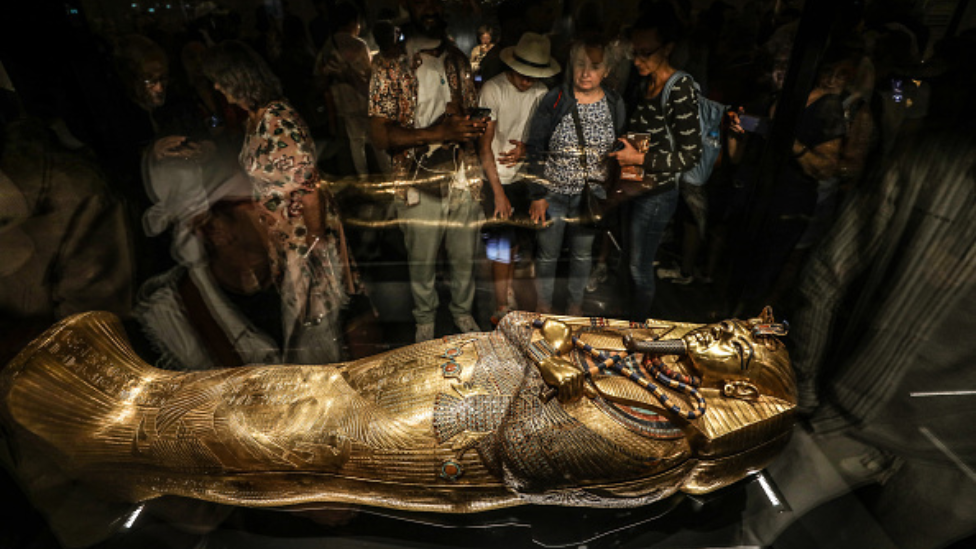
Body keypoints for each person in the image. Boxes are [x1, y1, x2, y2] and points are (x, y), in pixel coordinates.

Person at [2, 308, 796, 516]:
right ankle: (136, 399)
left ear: (733, 383)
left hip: (450, 433)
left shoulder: (662, 440)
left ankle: (113, 439)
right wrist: (552, 343)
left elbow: (529, 449)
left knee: (300, 435)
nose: (711, 333)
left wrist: (545, 345)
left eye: (728, 341)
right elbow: (543, 334)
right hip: (451, 374)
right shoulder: (652, 360)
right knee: (302, 385)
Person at [203, 41, 358, 353]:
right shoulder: (255, 118)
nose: (217, 87)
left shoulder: (278, 123)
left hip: (303, 239)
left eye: (221, 79)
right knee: (304, 323)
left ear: (240, 79)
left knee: (314, 327)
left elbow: (309, 190)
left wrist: (314, 246)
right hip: (286, 239)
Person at [368, 0, 486, 342]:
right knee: (422, 261)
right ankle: (425, 322)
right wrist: (438, 133)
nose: (430, 9)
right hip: (416, 179)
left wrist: (470, 123)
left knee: (464, 257)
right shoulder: (388, 64)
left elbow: (468, 110)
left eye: (436, 2)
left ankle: (462, 313)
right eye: (422, 2)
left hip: (463, 174)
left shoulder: (458, 59)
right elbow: (379, 136)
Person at [610, 6, 702, 321]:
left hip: (657, 194)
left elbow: (691, 154)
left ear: (668, 48)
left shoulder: (679, 88)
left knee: (639, 267)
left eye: (645, 53)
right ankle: (626, 316)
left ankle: (637, 330)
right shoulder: (643, 82)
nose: (636, 61)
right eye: (634, 53)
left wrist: (638, 158)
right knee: (626, 261)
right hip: (635, 185)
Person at [525, 40, 626, 316]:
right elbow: (536, 147)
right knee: (547, 255)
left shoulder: (614, 103)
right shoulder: (557, 99)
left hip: (591, 197)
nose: (585, 73)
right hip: (553, 194)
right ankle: (543, 306)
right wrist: (538, 195)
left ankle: (575, 305)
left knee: (582, 255)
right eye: (580, 65)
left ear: (606, 71)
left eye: (594, 67)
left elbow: (618, 145)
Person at [478, 32, 560, 324]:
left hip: (527, 175)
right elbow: (484, 145)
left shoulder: (542, 93)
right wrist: (498, 191)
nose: (527, 81)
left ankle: (519, 296)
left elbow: (544, 141)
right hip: (496, 173)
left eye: (532, 75)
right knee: (500, 243)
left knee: (521, 244)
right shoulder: (492, 89)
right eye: (522, 74)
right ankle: (501, 305)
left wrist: (526, 150)